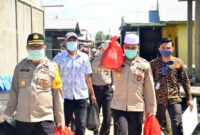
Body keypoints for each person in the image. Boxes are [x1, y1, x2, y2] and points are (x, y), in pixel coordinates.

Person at [0, 33, 65, 135]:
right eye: (32, 46)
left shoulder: (53, 67)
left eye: (38, 46)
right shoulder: (19, 67)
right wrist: (7, 113)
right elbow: (14, 92)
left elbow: (58, 95)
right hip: (23, 120)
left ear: (44, 47)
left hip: (45, 120)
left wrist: (61, 118)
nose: (35, 49)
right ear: (27, 48)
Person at [92, 34, 157, 135]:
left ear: (138, 48)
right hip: (118, 107)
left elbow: (149, 89)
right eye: (128, 47)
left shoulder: (144, 65)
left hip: (137, 107)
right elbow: (95, 66)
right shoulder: (116, 61)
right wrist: (104, 49)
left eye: (133, 48)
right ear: (123, 47)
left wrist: (152, 110)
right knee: (121, 132)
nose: (130, 50)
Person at [53, 32, 96, 135]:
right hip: (65, 97)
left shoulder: (84, 57)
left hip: (81, 97)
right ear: (65, 43)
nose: (72, 42)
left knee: (81, 125)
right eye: (69, 40)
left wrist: (92, 94)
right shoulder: (58, 58)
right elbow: (53, 77)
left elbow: (88, 77)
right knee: (64, 125)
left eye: (74, 40)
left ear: (77, 42)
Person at [150, 38, 193, 135]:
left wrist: (189, 98)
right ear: (159, 49)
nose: (165, 49)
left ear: (172, 49)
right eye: (163, 48)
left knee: (177, 127)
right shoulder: (153, 63)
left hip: (174, 99)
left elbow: (185, 81)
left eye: (168, 48)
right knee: (156, 128)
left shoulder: (178, 62)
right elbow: (147, 83)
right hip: (158, 100)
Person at [92, 42, 113, 135]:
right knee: (95, 115)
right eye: (100, 49)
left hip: (107, 90)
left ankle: (104, 133)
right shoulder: (92, 60)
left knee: (108, 116)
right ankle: (95, 131)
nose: (103, 50)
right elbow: (95, 66)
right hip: (95, 89)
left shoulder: (110, 60)